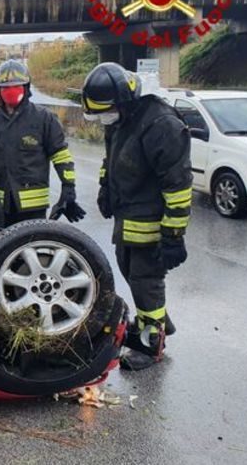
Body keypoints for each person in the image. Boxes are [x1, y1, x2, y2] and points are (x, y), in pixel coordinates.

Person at [81, 62, 192, 371]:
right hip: (127, 216)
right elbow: (110, 160)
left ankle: (151, 344)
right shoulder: (121, 119)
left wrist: (173, 236)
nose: (104, 118)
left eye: (107, 111)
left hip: (152, 221)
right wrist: (105, 188)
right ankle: (156, 321)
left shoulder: (161, 125)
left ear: (124, 100)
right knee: (129, 271)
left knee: (146, 281)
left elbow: (178, 186)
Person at [0, 60, 84, 226]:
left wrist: (68, 187)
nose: (11, 91)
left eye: (16, 86)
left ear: (26, 87)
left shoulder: (44, 118)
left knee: (33, 243)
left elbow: (61, 155)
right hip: (0, 206)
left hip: (33, 209)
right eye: (5, 88)